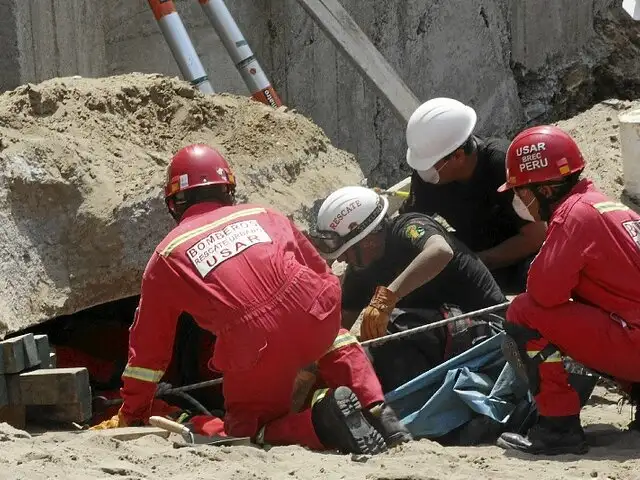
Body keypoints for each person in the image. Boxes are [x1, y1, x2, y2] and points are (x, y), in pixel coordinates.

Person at [89, 144, 412, 454]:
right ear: (228, 189)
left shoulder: (168, 255)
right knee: (334, 337)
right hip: (313, 310)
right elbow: (317, 269)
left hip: (254, 344)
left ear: (174, 202)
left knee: (249, 432)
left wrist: (134, 408)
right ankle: (379, 409)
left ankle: (320, 423)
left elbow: (148, 352)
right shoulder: (265, 214)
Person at [493, 125, 640, 455]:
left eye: (521, 192)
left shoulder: (572, 215)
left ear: (544, 189)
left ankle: (558, 427)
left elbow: (544, 293)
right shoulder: (609, 207)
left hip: (635, 344)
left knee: (523, 312)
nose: (520, 201)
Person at [309, 185, 507, 342]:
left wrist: (387, 299)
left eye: (346, 250)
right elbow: (340, 326)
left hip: (492, 326)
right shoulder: (360, 273)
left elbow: (440, 251)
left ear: (367, 239)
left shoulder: (409, 227)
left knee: (394, 327)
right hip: (450, 333)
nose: (342, 259)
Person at [399, 97, 547, 293]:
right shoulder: (429, 175)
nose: (423, 173)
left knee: (537, 277)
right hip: (475, 246)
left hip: (520, 253)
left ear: (458, 156)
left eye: (428, 166)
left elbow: (536, 235)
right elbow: (410, 224)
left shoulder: (502, 165)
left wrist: (478, 264)